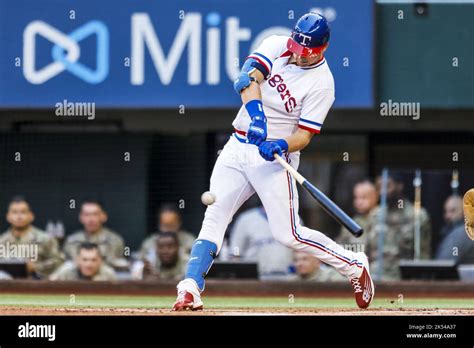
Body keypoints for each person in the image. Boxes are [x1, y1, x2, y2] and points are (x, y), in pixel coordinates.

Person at [173, 13, 374, 311]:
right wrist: (257, 117)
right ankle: (190, 287)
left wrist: (280, 142)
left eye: (307, 53)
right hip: (238, 145)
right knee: (215, 216)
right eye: (297, 48)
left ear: (323, 49)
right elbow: (247, 77)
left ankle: (354, 264)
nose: (298, 56)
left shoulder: (322, 84)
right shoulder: (277, 44)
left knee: (288, 234)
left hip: (276, 158)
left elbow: (304, 135)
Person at [368, 174, 432, 280]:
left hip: (400, 277)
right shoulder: (375, 215)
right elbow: (367, 251)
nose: (382, 192)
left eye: (387, 186)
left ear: (399, 186)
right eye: (379, 187)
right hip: (373, 275)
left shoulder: (417, 216)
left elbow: (423, 256)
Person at [0, 197, 63, 278]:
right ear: (8, 217)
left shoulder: (45, 239)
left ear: (31, 216)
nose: (19, 216)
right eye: (14, 212)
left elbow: (59, 261)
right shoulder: (2, 240)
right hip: (7, 286)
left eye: (23, 212)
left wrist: (35, 267)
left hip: (38, 284)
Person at [229, 206, 293, 278]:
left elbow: (301, 252)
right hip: (255, 278)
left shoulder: (293, 217)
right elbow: (235, 252)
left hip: (287, 277)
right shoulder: (246, 219)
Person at [62, 200, 127, 269]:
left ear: (104, 216)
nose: (91, 219)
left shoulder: (115, 240)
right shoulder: (71, 240)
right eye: (86, 215)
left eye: (95, 214)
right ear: (81, 217)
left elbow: (118, 264)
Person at [337, 180, 379, 251]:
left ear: (375, 196)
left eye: (364, 197)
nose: (359, 202)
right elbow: (341, 247)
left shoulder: (384, 217)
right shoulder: (352, 222)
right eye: (356, 197)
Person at [50, 242, 116, 281]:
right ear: (77, 260)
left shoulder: (108, 274)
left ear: (100, 261)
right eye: (85, 259)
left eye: (93, 260)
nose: (89, 264)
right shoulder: (66, 272)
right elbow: (50, 287)